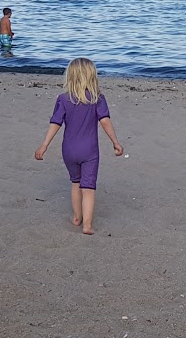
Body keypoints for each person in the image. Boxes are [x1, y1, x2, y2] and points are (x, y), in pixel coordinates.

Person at [35, 57, 123, 234]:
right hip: (89, 150)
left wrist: (44, 145)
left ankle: (77, 218)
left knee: (75, 183)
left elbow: (55, 123)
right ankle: (87, 225)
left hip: (68, 150)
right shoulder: (98, 99)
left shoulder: (63, 99)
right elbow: (105, 122)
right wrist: (115, 142)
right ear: (92, 76)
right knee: (88, 187)